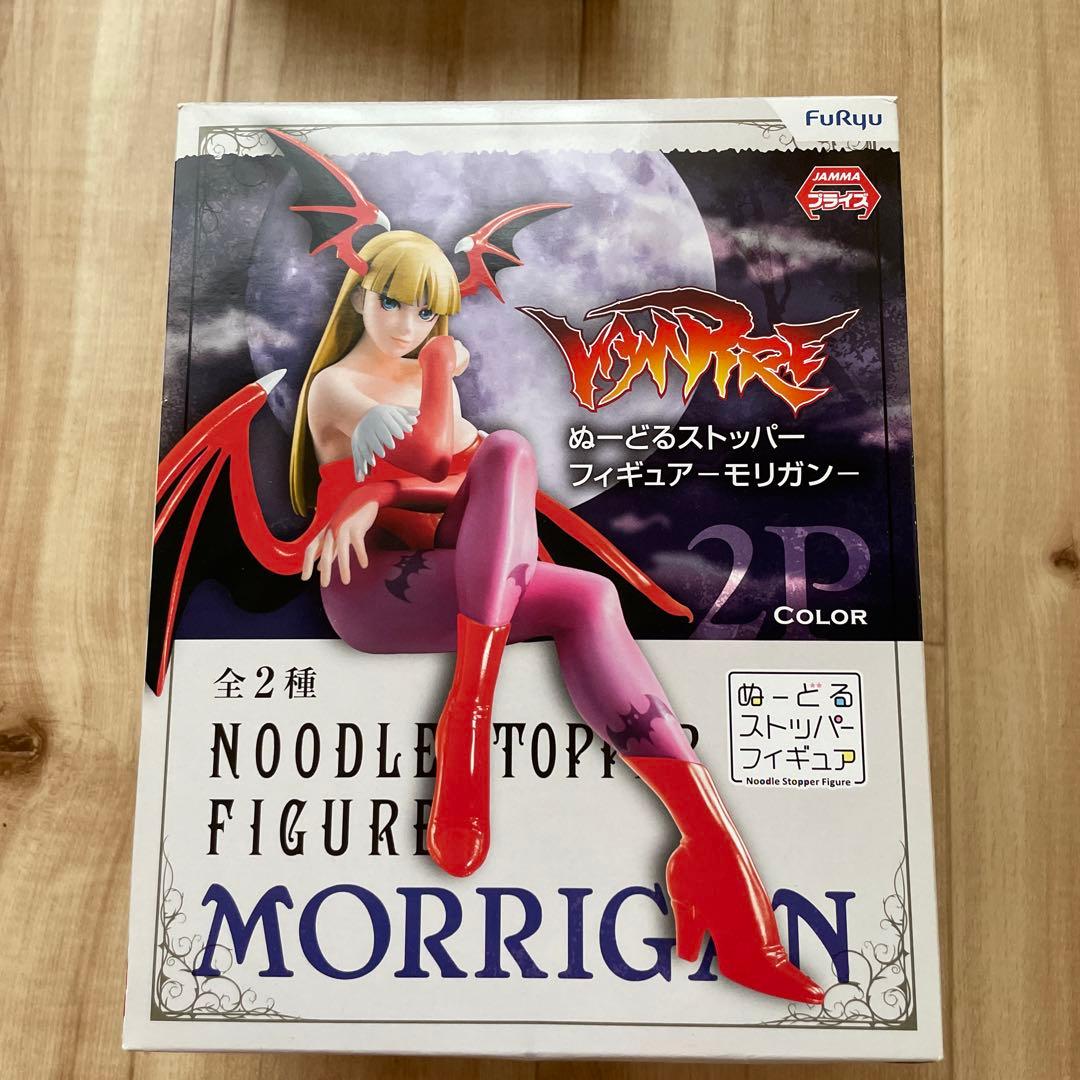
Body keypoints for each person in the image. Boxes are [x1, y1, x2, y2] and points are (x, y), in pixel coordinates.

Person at [281, 227, 824, 1005]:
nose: (405, 324)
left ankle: (709, 847)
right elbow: (430, 453)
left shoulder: (432, 379)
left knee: (550, 524)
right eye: (392, 302)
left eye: (426, 314)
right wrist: (431, 380)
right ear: (361, 291)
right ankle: (470, 716)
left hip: (460, 578)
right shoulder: (336, 387)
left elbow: (456, 485)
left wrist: (385, 490)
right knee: (507, 466)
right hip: (370, 590)